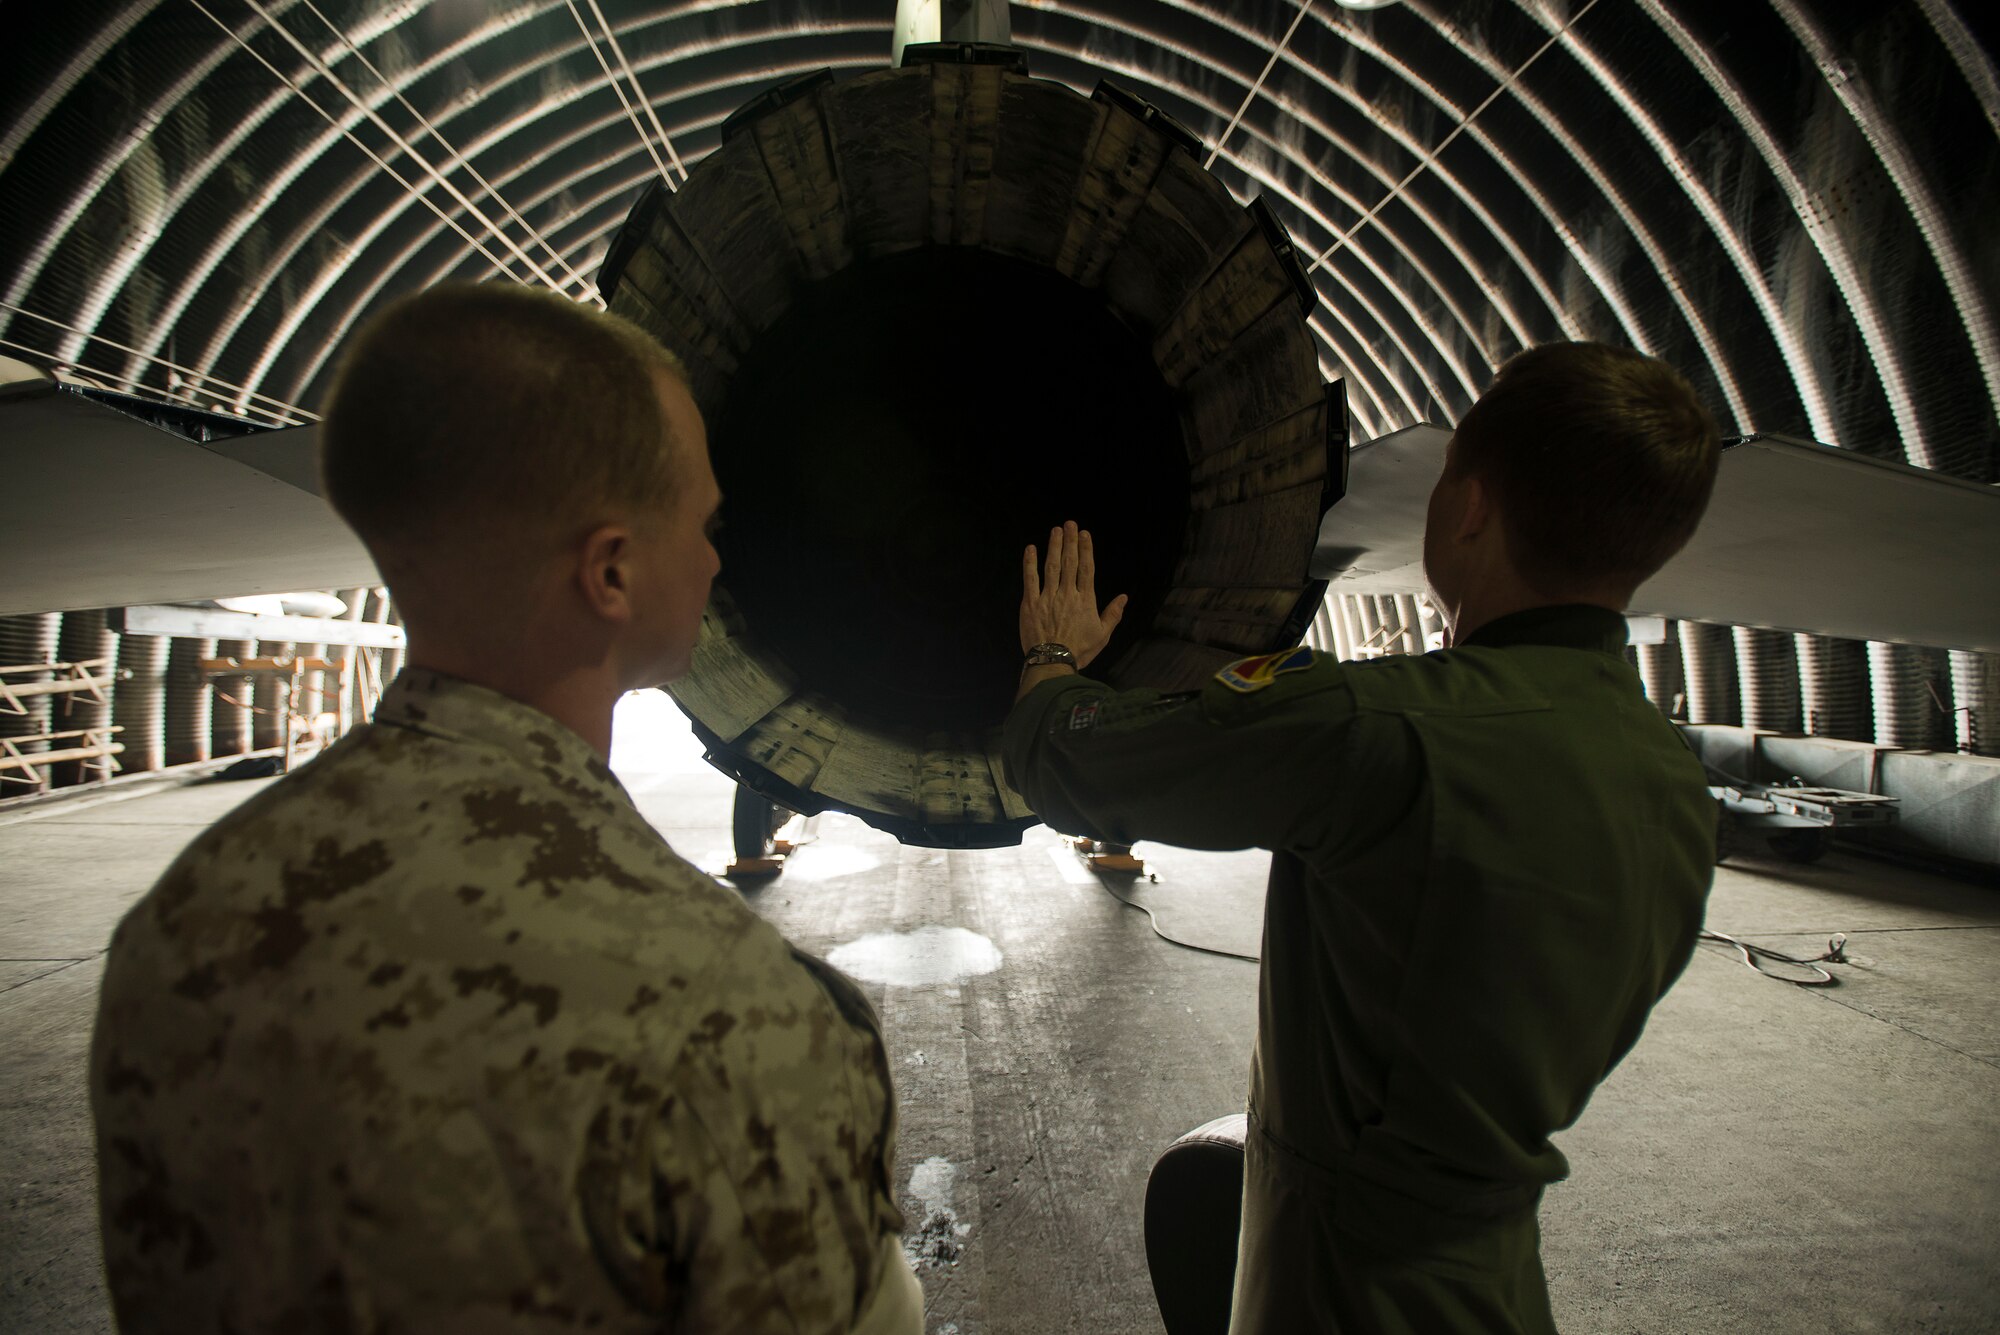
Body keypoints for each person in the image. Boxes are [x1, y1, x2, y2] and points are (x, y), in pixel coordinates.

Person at [90, 283, 923, 1333]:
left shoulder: (175, 929)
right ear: (610, 572)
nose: (714, 558)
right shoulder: (735, 1013)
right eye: (701, 524)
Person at [1004, 341, 1724, 1333]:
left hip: (1336, 1288)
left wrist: (1051, 658)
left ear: (1468, 506)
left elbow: (1076, 762)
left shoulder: (1372, 728)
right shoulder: (1671, 778)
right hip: (1495, 1283)